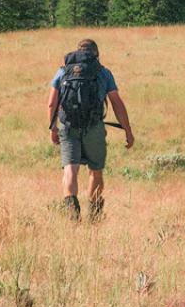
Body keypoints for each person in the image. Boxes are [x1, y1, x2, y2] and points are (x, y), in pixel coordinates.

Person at [47, 38, 133, 222]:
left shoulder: (62, 71)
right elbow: (116, 103)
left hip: (68, 126)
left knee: (70, 170)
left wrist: (53, 128)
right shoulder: (103, 72)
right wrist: (127, 130)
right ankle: (94, 215)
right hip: (94, 127)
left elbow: (51, 103)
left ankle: (72, 213)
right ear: (96, 54)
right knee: (96, 171)